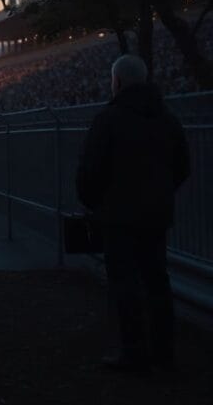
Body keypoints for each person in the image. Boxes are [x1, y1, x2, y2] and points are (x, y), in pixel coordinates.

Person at [76, 54, 190, 374]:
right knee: (157, 280)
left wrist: (93, 202)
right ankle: (164, 352)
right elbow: (183, 165)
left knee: (124, 281)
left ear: (118, 82)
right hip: (156, 213)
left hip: (118, 216)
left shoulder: (109, 119)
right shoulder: (168, 119)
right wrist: (162, 194)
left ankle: (133, 350)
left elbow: (91, 170)